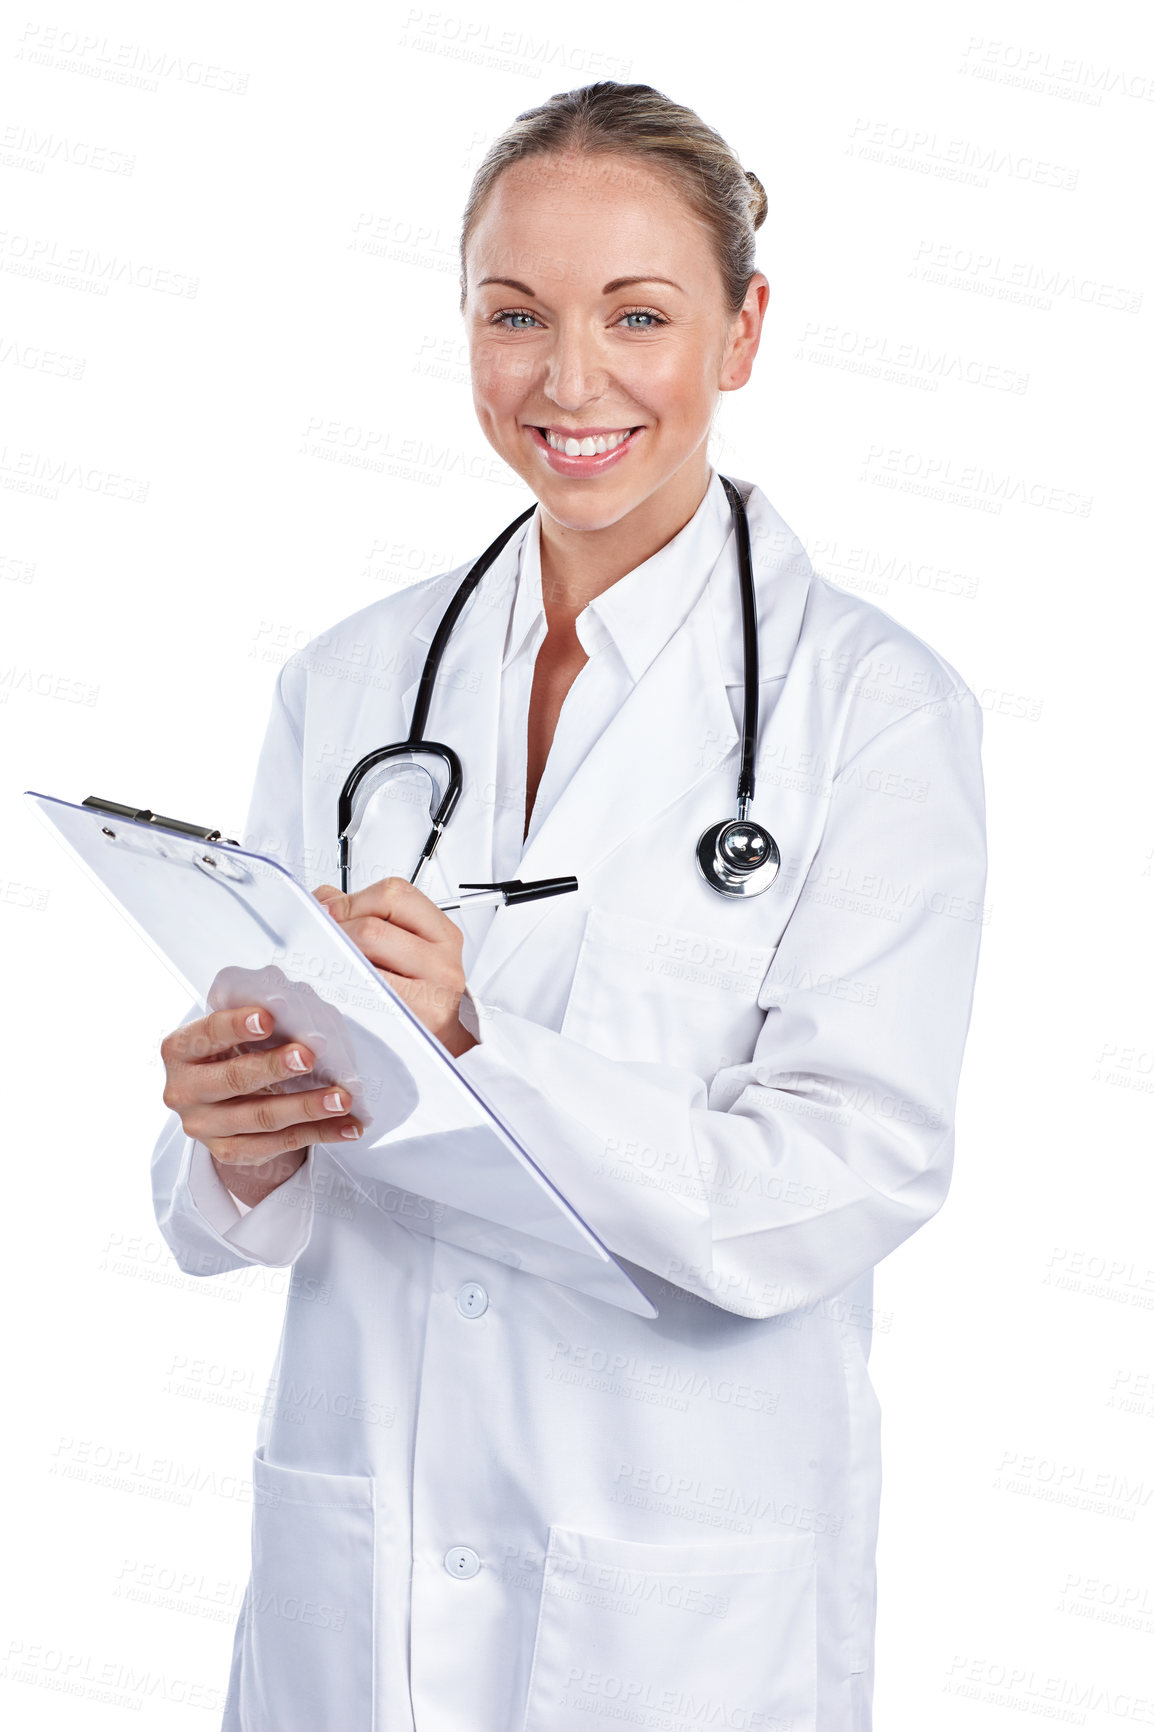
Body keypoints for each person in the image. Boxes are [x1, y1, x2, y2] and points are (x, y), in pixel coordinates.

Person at [153, 81, 987, 1732]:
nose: (570, 378)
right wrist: (231, 1140)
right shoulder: (349, 678)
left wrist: (481, 1045)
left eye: (638, 315)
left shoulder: (871, 709)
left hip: (677, 1595)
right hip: (363, 1563)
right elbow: (236, 1199)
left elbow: (846, 1169)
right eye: (513, 314)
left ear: (742, 334)